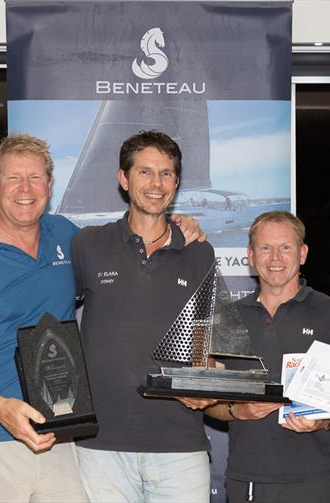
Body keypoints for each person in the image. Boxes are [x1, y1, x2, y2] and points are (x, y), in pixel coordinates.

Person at [0, 133, 205, 502]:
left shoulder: (70, 240)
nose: (25, 189)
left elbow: (133, 244)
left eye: (36, 178)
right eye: (13, 178)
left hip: (60, 436)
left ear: (50, 185)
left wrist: (179, 227)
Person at [72, 130, 216, 502]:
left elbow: (202, 341)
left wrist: (206, 381)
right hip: (100, 443)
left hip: (179, 444)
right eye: (145, 172)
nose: (157, 183)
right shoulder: (88, 243)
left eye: (167, 173)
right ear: (124, 179)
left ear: (177, 182)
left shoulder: (200, 252)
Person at [200, 211, 330, 503]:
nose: (275, 258)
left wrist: (321, 421)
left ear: (303, 253)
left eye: (286, 247)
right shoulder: (227, 318)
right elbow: (206, 401)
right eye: (265, 248)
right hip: (248, 479)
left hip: (315, 479)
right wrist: (237, 411)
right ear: (251, 256)